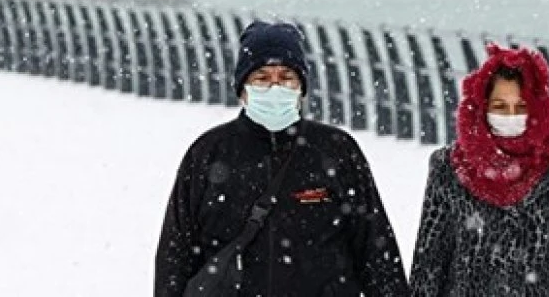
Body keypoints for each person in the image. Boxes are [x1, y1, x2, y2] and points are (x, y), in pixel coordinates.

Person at [155, 21, 411, 297]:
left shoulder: (336, 151)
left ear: (301, 87)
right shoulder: (209, 153)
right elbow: (176, 255)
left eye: (286, 77)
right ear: (242, 90)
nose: (275, 87)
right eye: (261, 78)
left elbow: (376, 252)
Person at [409, 43, 549, 296]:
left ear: (538, 108)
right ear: (482, 106)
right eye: (500, 107)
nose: (511, 116)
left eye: (521, 107)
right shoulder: (449, 167)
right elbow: (430, 262)